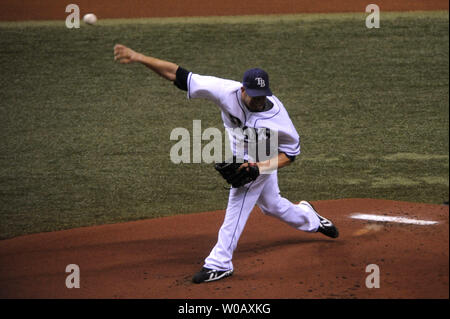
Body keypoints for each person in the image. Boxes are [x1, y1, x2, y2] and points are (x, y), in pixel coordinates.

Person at [113, 44, 339, 284]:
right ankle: (310, 217)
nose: (259, 101)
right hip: (240, 150)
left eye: (263, 96)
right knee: (272, 205)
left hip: (264, 152)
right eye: (254, 96)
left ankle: (219, 263)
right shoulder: (225, 91)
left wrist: (257, 168)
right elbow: (179, 76)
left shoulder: (279, 120)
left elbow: (291, 155)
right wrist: (139, 57)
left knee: (240, 198)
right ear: (243, 90)